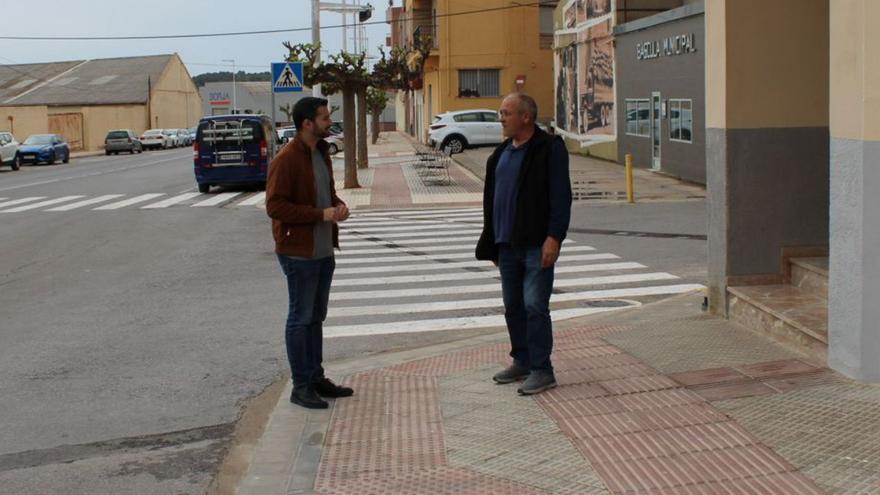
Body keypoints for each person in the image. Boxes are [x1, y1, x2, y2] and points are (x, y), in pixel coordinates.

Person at [475, 93, 572, 395]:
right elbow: (492, 201)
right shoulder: (502, 152)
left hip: (536, 244)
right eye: (501, 113)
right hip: (506, 245)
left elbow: (561, 196)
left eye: (506, 113)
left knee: (534, 306)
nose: (501, 118)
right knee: (513, 306)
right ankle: (523, 360)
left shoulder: (549, 149)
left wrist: (554, 238)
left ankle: (543, 369)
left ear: (526, 117)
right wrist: (492, 243)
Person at [266, 97, 353, 409]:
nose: (329, 122)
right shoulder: (286, 159)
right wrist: (322, 215)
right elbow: (274, 206)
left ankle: (316, 378)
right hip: (297, 251)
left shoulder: (321, 153)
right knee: (300, 318)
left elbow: (324, 195)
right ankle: (301, 386)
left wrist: (338, 206)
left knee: (316, 316)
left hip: (322, 249)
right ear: (307, 123)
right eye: (324, 118)